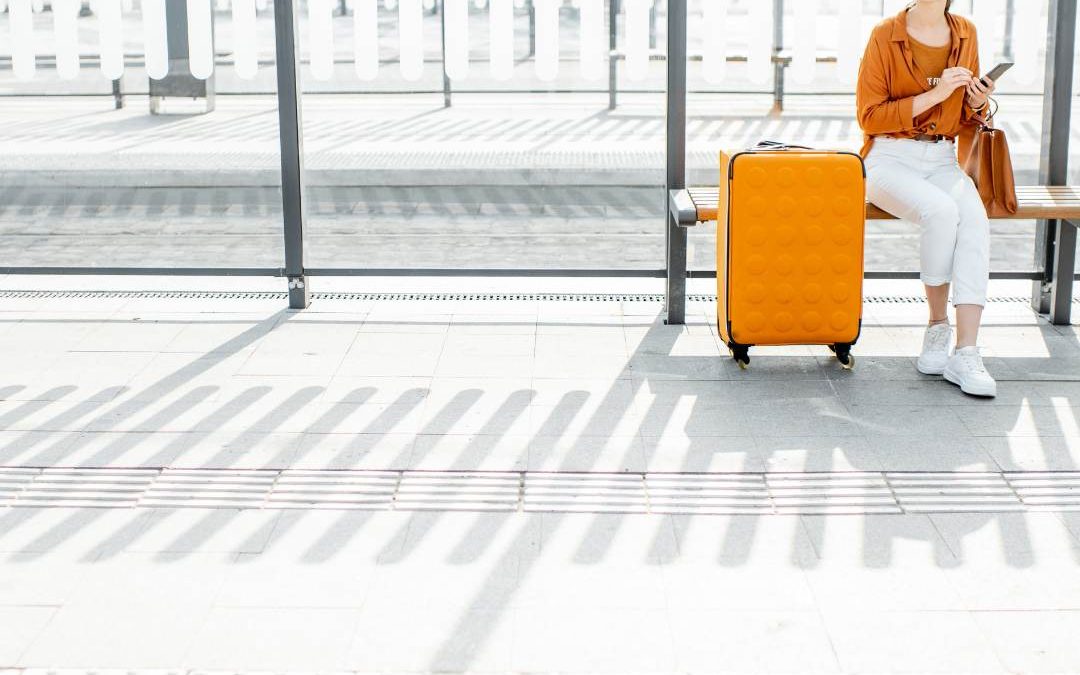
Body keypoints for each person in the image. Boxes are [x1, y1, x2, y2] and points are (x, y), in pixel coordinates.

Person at [856, 0, 997, 397]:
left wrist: (976, 100)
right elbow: (869, 117)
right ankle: (937, 327)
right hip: (887, 158)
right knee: (941, 209)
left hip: (941, 157)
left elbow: (970, 117)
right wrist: (936, 95)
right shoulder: (886, 34)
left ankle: (966, 352)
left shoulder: (965, 32)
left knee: (972, 218)